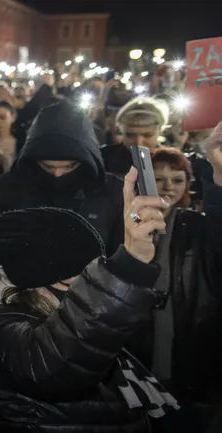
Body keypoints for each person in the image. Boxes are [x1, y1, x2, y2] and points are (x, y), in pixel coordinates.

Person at [0, 170, 179, 432]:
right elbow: (57, 362)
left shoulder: (63, 315)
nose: (86, 291)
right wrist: (129, 264)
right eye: (73, 282)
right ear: (31, 283)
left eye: (91, 277)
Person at [129, 145, 222, 431]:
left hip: (188, 344)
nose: (169, 187)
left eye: (178, 180)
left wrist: (218, 171)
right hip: (137, 343)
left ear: (188, 185)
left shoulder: (197, 225)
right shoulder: (130, 221)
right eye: (159, 179)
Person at [0, 101, 124, 255]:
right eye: (47, 166)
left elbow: (123, 258)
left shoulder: (113, 192)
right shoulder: (7, 188)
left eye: (69, 166)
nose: (57, 174)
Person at [102, 97, 170, 177]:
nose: (138, 142)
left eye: (147, 135)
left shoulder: (173, 160)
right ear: (121, 132)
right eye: (130, 135)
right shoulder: (104, 157)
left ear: (160, 131)